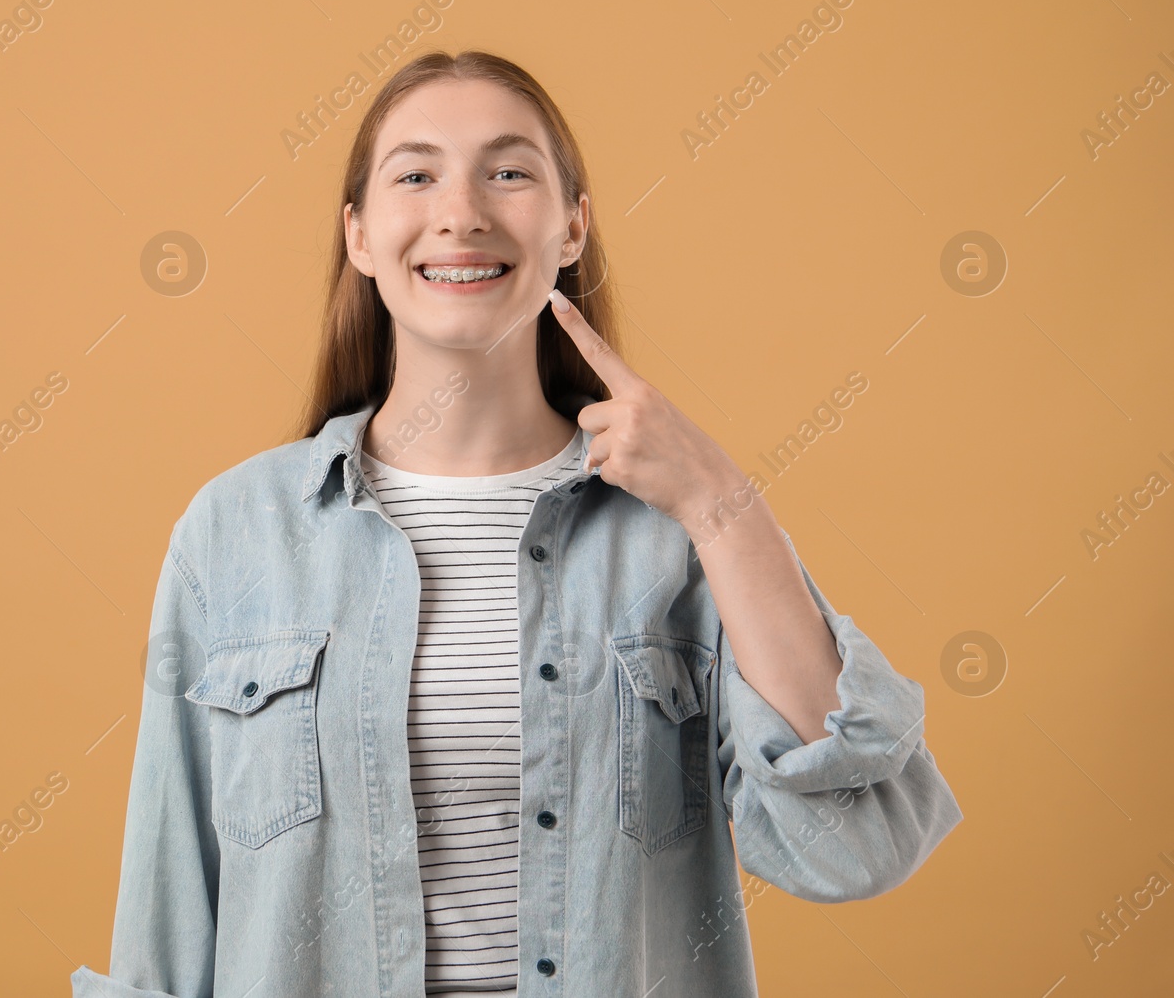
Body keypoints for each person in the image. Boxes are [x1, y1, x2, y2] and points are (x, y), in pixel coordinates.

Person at [72, 49, 963, 998]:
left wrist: (720, 504)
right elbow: (167, 918)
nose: (462, 212)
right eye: (416, 175)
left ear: (572, 226)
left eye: (509, 172)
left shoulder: (675, 536)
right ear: (362, 235)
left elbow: (856, 845)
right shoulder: (236, 533)